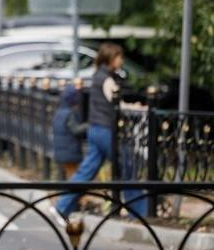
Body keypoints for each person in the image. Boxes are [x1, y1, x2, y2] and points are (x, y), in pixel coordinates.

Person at [54, 42, 147, 218]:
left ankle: (61, 207)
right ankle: (140, 212)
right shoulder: (107, 79)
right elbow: (116, 103)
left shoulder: (98, 75)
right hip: (105, 131)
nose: (121, 60)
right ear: (111, 58)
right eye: (119, 56)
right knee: (127, 166)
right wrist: (135, 108)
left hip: (95, 129)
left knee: (86, 172)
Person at [52, 82, 87, 179]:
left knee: (70, 174)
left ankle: (70, 192)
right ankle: (72, 194)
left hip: (62, 150)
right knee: (73, 175)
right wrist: (89, 126)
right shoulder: (69, 113)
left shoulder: (59, 112)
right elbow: (75, 129)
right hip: (70, 150)